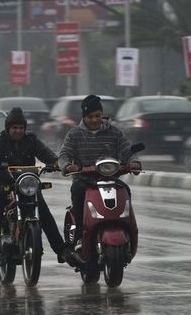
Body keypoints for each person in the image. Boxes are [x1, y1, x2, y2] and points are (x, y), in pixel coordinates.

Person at [58, 95, 141, 266]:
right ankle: (81, 234)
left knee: (125, 190)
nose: (95, 120)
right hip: (85, 181)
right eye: (90, 117)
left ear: (102, 114)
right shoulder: (74, 134)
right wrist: (67, 165)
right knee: (77, 191)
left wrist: (133, 162)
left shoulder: (114, 132)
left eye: (98, 116)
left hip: (111, 179)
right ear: (84, 117)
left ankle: (129, 228)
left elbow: (126, 150)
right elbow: (64, 154)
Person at [0, 107, 66, 263]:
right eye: (14, 128)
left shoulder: (31, 140)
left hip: (27, 183)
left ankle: (61, 250)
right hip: (3, 182)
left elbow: (47, 154)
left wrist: (57, 163)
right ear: (8, 128)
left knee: (44, 211)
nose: (18, 131)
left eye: (21, 128)